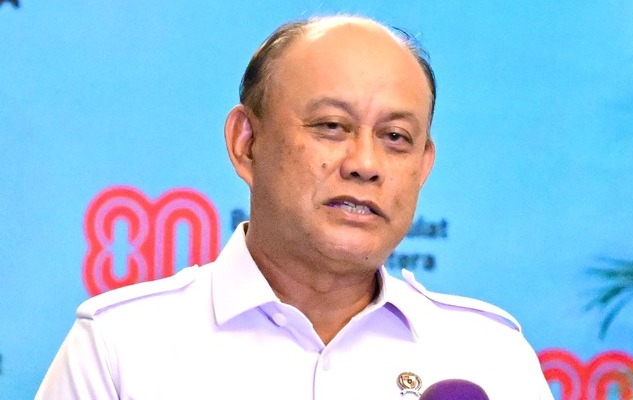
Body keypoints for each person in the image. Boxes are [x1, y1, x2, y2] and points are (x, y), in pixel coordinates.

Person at [35, 16, 554, 399]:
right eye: (331, 126)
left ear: (423, 166)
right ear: (246, 143)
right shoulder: (120, 346)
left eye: (395, 137)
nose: (365, 164)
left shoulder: (491, 356)